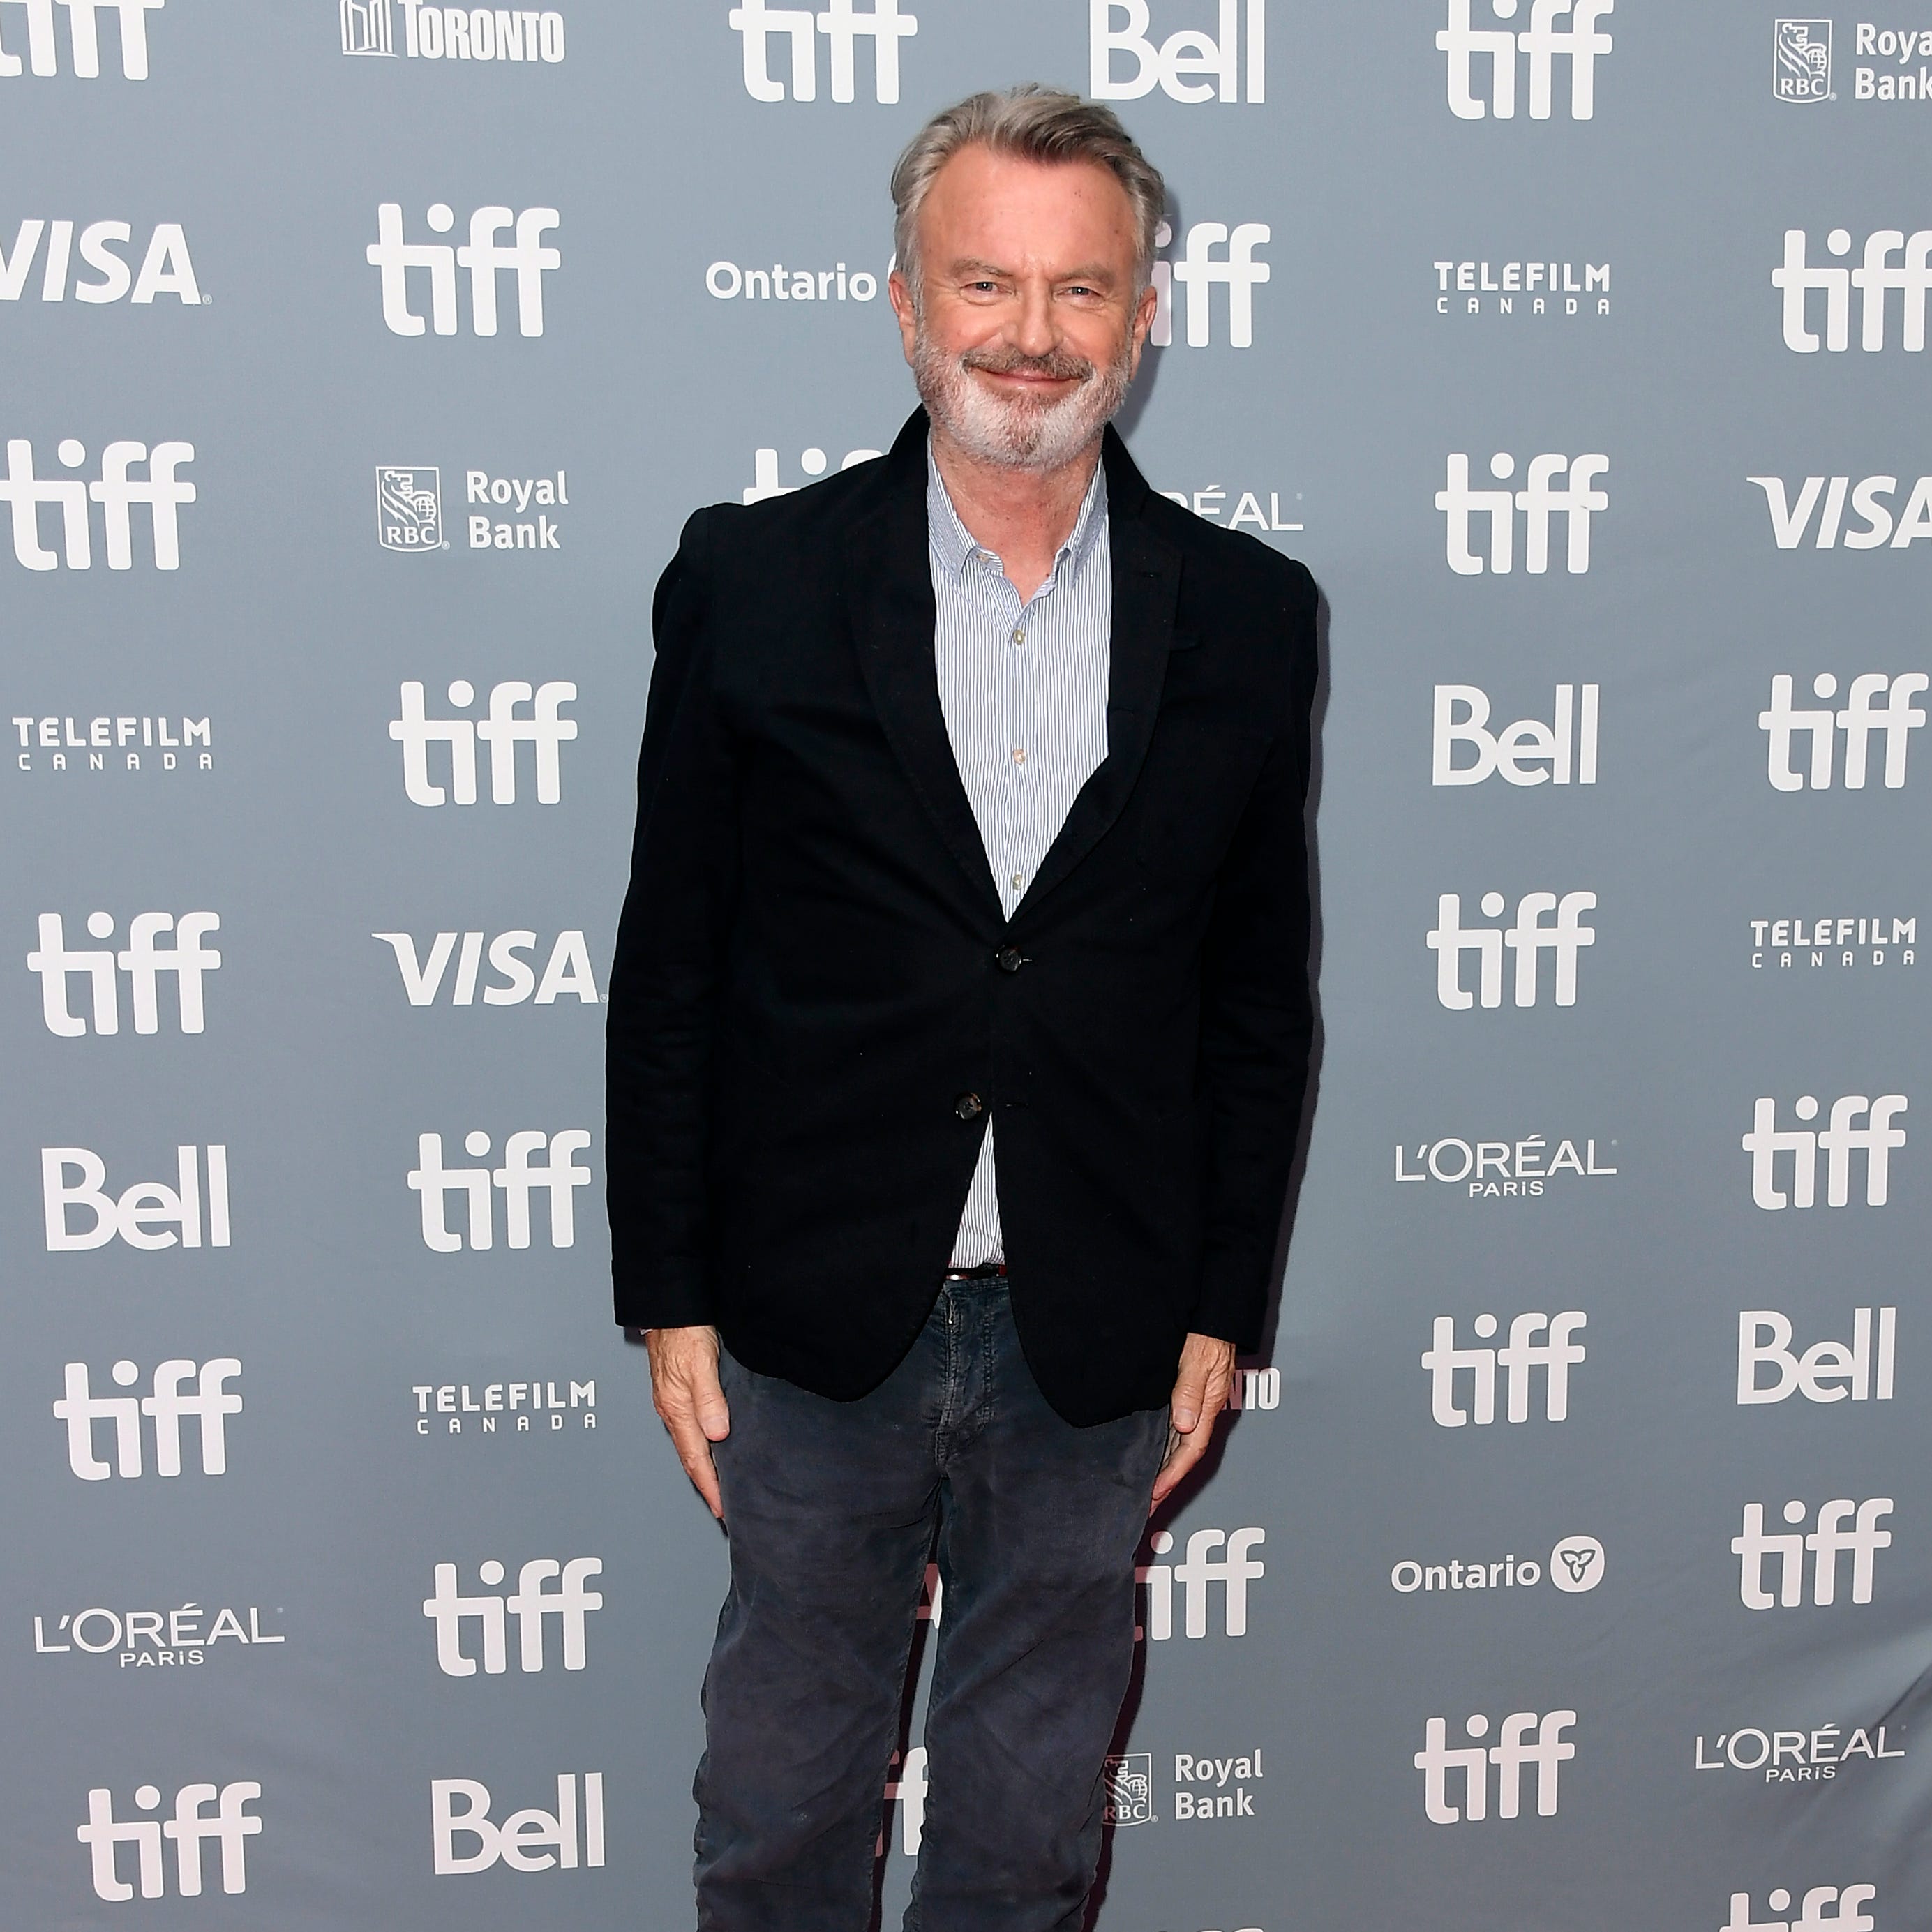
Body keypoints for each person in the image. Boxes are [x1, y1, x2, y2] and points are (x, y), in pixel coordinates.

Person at [606, 83, 1317, 1932]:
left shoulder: (1246, 613)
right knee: (776, 1802)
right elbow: (672, 953)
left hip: (1092, 1322)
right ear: (905, 303)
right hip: (809, 1306)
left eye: (1081, 289)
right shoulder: (751, 580)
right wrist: (667, 1287)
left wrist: (1218, 1312)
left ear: (1144, 316)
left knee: (1022, 1835)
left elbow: (1257, 996)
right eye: (983, 282)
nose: (1030, 333)